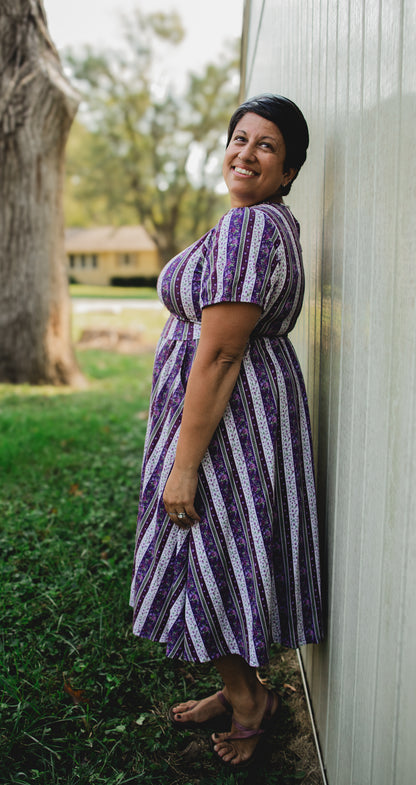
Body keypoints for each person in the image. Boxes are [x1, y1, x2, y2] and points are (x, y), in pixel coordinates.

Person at [130, 93, 323, 769]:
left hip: (227, 424)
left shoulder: (251, 231)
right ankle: (240, 684)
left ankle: (249, 701)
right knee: (224, 551)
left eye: (266, 146)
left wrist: (184, 463)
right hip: (238, 416)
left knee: (200, 545)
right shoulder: (264, 222)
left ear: (290, 169)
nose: (245, 153)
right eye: (239, 139)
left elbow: (218, 353)